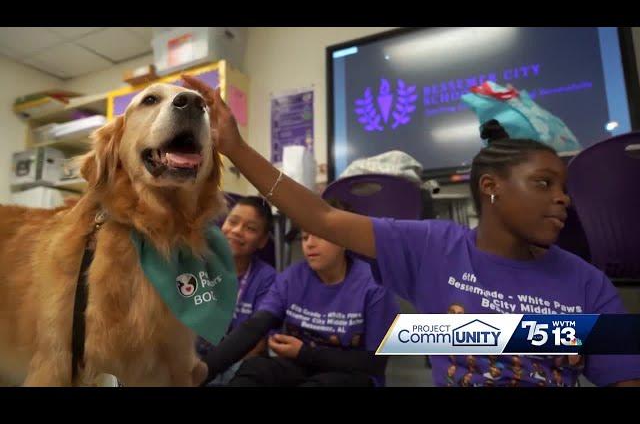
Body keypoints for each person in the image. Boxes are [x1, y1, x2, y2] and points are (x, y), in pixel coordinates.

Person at [183, 75, 640, 388]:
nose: (564, 198)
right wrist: (237, 150)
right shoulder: (434, 247)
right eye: (544, 183)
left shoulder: (587, 284)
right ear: (491, 188)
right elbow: (322, 218)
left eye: (563, 186)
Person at [201, 199, 399, 387]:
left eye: (320, 234)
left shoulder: (375, 287)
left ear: (344, 239)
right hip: (301, 366)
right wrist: (202, 373)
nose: (309, 244)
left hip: (350, 374)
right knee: (256, 369)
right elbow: (253, 328)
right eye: (305, 237)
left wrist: (304, 352)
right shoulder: (291, 278)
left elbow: (374, 363)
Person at [196, 196, 276, 384]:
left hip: (237, 361)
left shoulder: (267, 279)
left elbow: (258, 344)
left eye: (250, 228)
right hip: (192, 355)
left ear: (263, 240)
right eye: (232, 222)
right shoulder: (198, 264)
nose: (237, 231)